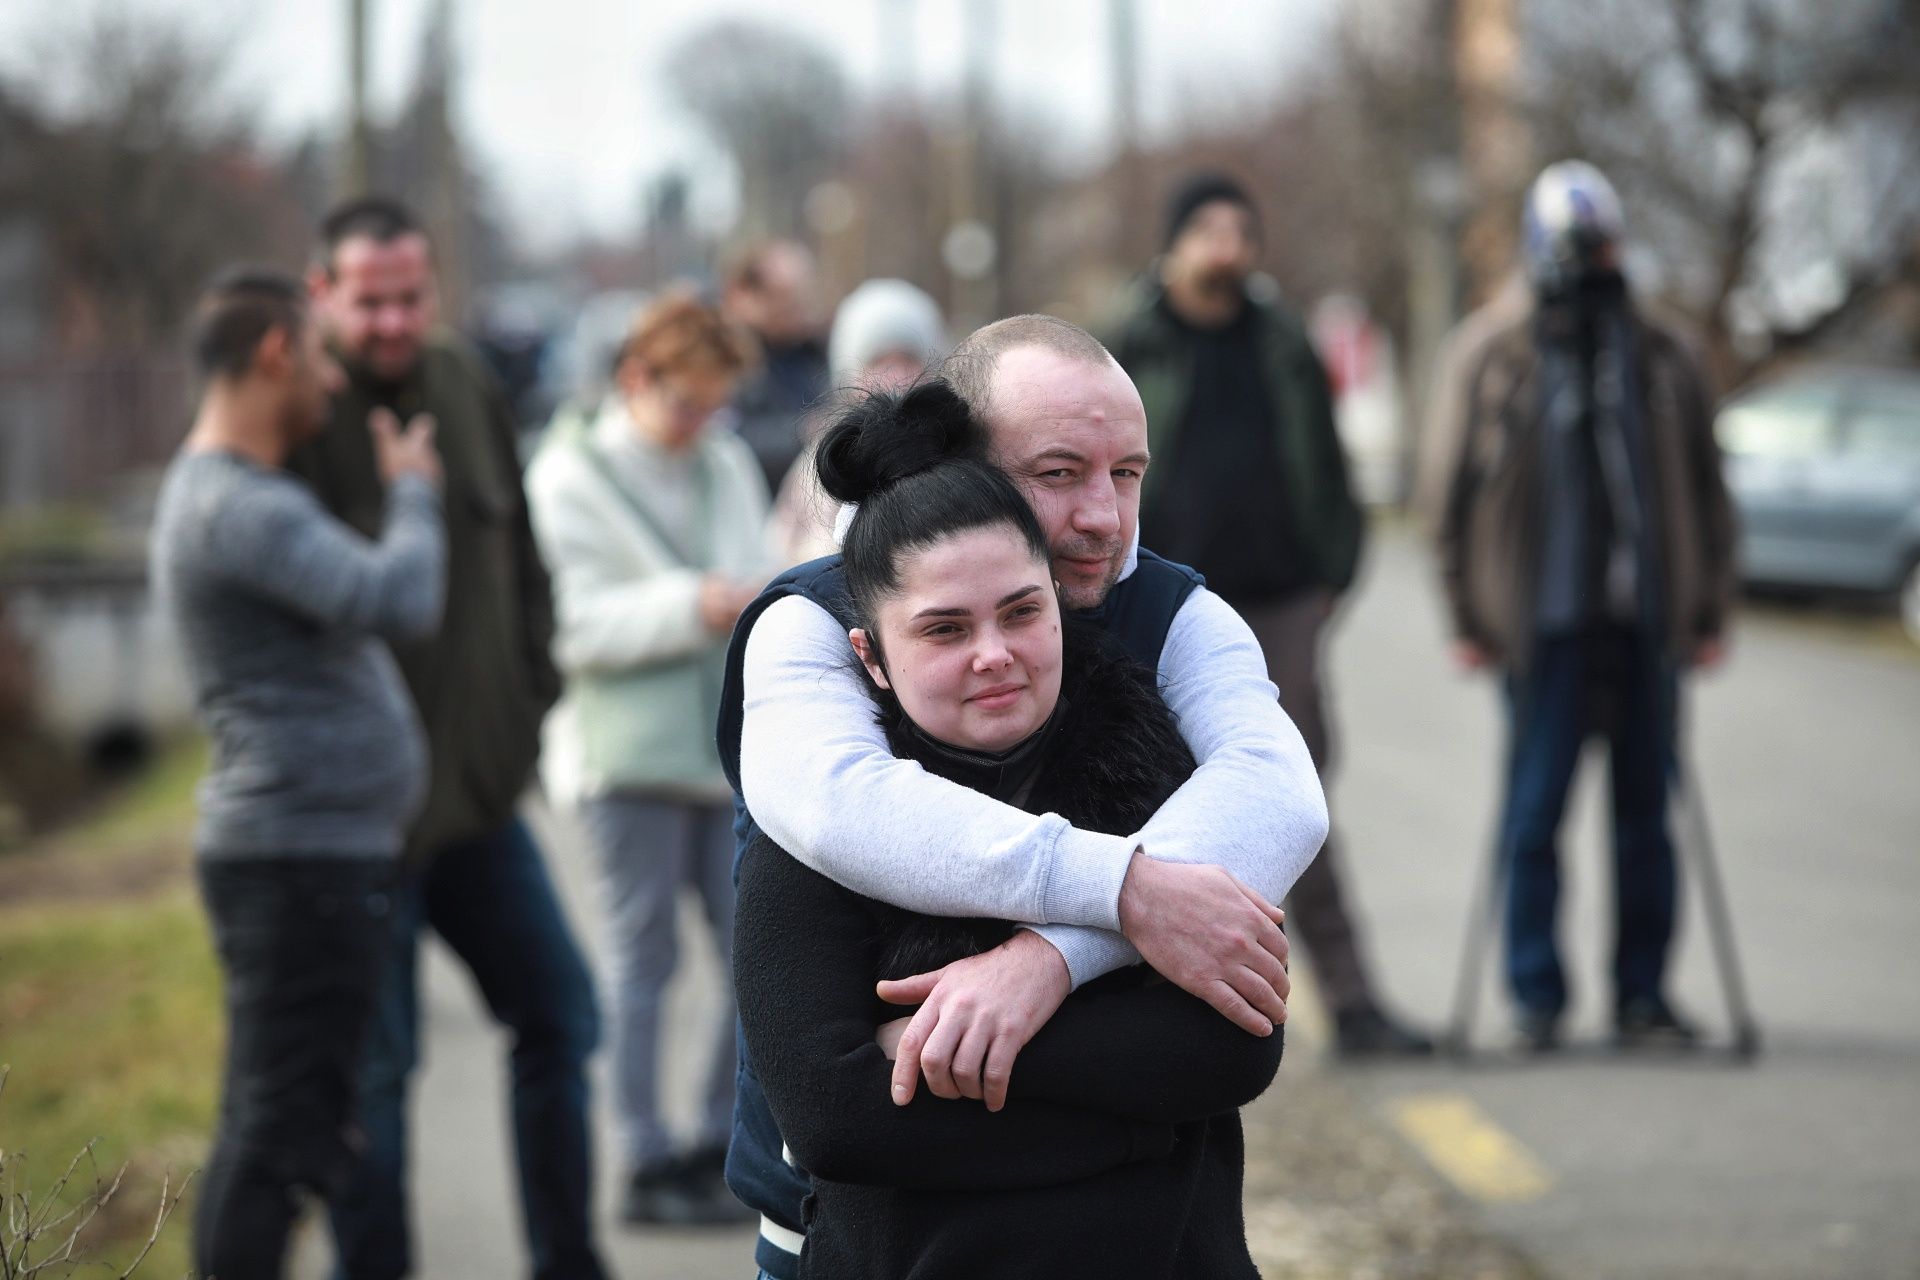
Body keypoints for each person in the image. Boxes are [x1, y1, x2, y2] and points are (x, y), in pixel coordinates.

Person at [718, 314, 1328, 1279]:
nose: (1103, 517)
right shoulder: (813, 621)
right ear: (959, 462)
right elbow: (843, 808)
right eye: (1058, 474)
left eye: (1126, 473)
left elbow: (1279, 800)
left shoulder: (1174, 617)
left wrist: (1052, 958)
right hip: (853, 1232)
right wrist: (1131, 896)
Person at [287, 196, 610, 1280]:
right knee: (374, 1082)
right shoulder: (292, 413)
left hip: (476, 801)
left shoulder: (464, 382)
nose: (391, 321)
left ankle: (570, 1260)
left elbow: (521, 557)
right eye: (368, 300)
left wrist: (527, 702)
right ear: (321, 290)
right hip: (356, 825)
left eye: (409, 297)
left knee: (561, 1016)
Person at [151, 270, 445, 1278]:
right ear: (276, 351)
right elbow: (397, 593)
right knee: (279, 1137)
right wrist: (412, 487)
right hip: (298, 862)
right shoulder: (237, 504)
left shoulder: (238, 496)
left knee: (291, 1124)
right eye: (320, 355)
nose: (331, 379)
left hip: (314, 855)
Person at [1107, 172, 1432, 1058]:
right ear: (1173, 243)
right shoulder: (1130, 340)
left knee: (1293, 796)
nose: (1228, 245)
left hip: (1282, 599)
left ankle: (1355, 1005)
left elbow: (1326, 462)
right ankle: (1160, 1018)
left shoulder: (1283, 338)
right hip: (1161, 604)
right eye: (1207, 227)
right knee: (1149, 797)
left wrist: (1334, 571)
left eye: (1241, 229)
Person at [1423, 160, 1736, 1052]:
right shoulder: (1492, 351)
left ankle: (1643, 995)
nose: (1591, 262)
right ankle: (1538, 997)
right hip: (1540, 628)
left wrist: (1706, 610)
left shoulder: (1662, 351)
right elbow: (1444, 498)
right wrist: (1465, 619)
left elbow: (1708, 492)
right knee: (1534, 815)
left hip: (1645, 625)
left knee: (1647, 814)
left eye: (1602, 244)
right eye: (1575, 245)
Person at [526, 291, 774, 1225]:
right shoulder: (566, 477)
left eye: (715, 405)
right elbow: (571, 627)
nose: (699, 423)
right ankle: (641, 1157)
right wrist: (691, 605)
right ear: (637, 378)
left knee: (755, 953)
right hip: (622, 759)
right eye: (685, 402)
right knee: (643, 963)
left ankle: (719, 1139)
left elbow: (759, 572)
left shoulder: (723, 460)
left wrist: (738, 599)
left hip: (720, 750)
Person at [767, 277, 947, 565]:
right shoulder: (822, 458)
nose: (896, 378)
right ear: (851, 372)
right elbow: (782, 549)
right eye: (880, 362)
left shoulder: (955, 452)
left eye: (908, 360)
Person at [722, 239, 829, 494]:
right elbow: (725, 440)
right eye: (785, 296)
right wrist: (802, 433)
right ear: (745, 294)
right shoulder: (727, 358)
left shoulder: (811, 351)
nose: (799, 309)